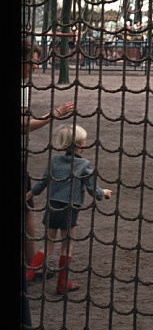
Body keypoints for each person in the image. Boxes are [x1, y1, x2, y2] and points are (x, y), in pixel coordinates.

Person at [21, 39, 75, 330]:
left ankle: (33, 263)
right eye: (33, 60)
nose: (36, 67)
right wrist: (53, 115)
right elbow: (22, 125)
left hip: (21, 161)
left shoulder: (24, 87)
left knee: (27, 205)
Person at [29, 124, 112, 295]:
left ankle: (26, 278)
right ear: (81, 143)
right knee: (68, 246)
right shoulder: (83, 165)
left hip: (52, 207)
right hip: (69, 209)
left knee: (48, 245)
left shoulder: (54, 161)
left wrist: (29, 194)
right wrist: (103, 193)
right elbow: (92, 189)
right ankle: (62, 284)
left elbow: (42, 182)